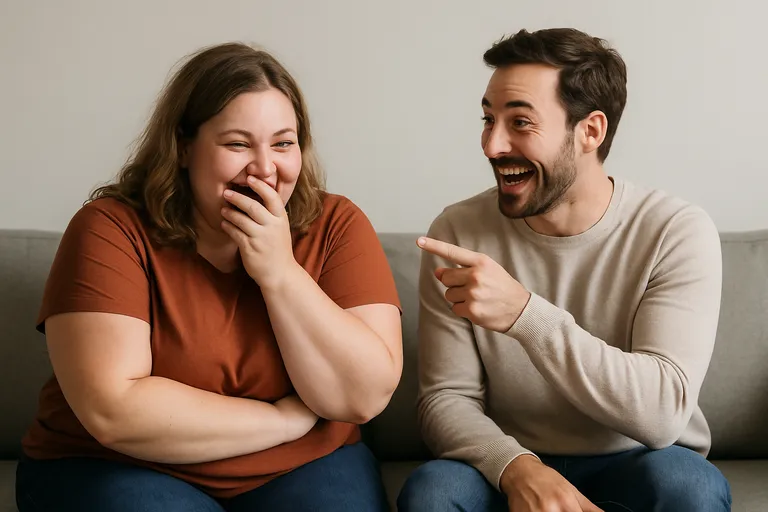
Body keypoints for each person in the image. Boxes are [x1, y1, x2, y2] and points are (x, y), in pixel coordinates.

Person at [16, 42, 402, 512]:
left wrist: (280, 273)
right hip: (116, 464)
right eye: (238, 144)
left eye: (283, 143)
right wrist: (283, 421)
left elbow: (362, 398)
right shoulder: (110, 228)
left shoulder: (338, 224)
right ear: (182, 146)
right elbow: (113, 411)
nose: (265, 168)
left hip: (302, 464)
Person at [398, 28, 731, 512]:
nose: (492, 144)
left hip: (638, 460)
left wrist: (525, 315)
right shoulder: (457, 230)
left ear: (590, 131)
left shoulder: (674, 231)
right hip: (508, 461)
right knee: (435, 492)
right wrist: (519, 469)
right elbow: (445, 399)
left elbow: (663, 413)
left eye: (520, 122)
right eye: (488, 119)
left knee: (691, 489)